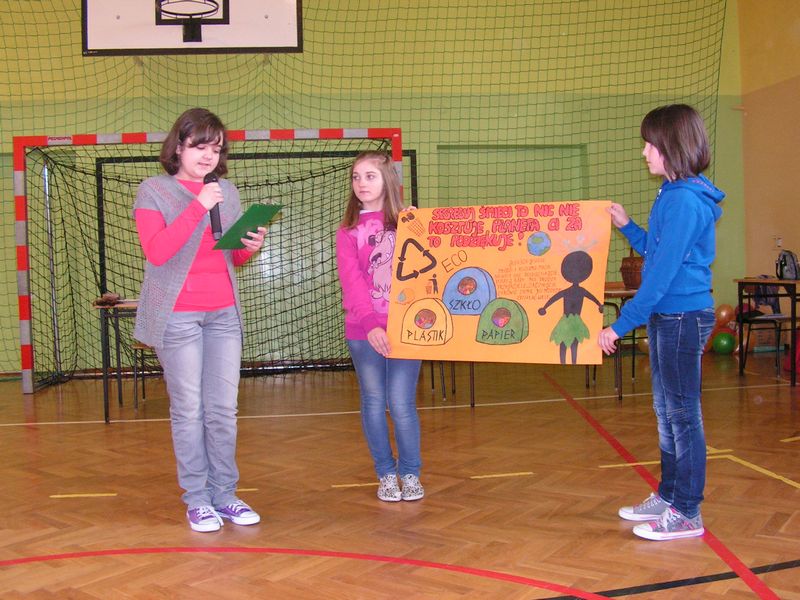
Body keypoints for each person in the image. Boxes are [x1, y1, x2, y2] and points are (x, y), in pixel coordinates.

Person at [133, 108, 267, 532]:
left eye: (216, 148)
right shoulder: (154, 190)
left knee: (223, 410)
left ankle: (225, 494)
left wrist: (250, 245)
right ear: (178, 147)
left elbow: (232, 256)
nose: (209, 155)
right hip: (177, 317)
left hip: (224, 313)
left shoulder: (227, 190)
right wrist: (198, 205)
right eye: (200, 146)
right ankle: (197, 499)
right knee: (189, 409)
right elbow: (158, 251)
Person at [597, 104, 724, 541]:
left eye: (650, 144)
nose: (645, 152)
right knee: (667, 412)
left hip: (682, 316)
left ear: (671, 146)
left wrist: (619, 325)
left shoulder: (685, 200)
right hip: (670, 315)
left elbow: (660, 275)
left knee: (682, 415)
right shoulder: (673, 193)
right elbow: (658, 250)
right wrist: (627, 225)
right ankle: (670, 496)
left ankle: (687, 511)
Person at [335, 151, 424, 502]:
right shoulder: (348, 231)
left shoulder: (409, 223)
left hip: (406, 330)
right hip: (363, 330)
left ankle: (410, 474)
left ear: (387, 180)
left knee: (401, 403)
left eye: (369, 176)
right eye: (356, 177)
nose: (361, 183)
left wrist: (420, 226)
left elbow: (428, 267)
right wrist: (371, 325)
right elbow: (352, 281)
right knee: (373, 401)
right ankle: (386, 474)